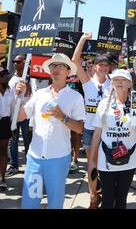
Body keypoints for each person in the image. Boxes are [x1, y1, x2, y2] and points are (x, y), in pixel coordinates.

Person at [16, 54, 85, 209]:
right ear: (48, 70)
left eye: (60, 66)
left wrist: (63, 117)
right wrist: (19, 96)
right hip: (34, 158)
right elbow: (21, 116)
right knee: (29, 203)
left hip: (58, 158)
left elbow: (80, 128)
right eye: (53, 66)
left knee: (55, 203)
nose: (56, 69)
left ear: (68, 71)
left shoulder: (75, 97)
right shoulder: (39, 94)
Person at [88, 69, 136, 209]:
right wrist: (92, 160)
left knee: (121, 199)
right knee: (108, 199)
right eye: (116, 79)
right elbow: (97, 134)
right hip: (106, 160)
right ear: (112, 83)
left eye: (123, 79)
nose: (119, 82)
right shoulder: (104, 104)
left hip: (129, 159)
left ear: (129, 83)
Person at [72, 32, 111, 208]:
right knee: (92, 165)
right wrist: (83, 39)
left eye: (106, 65)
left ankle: (107, 194)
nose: (103, 67)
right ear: (94, 67)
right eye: (100, 64)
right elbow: (74, 61)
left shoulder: (114, 83)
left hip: (109, 130)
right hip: (90, 129)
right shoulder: (87, 82)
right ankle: (93, 197)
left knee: (108, 165)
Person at [6, 55, 32, 177]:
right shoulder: (10, 78)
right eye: (14, 61)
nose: (15, 64)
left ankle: (30, 165)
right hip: (13, 115)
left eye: (18, 61)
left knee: (28, 140)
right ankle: (13, 165)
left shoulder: (31, 78)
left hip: (26, 115)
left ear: (25, 63)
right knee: (13, 141)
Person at [0, 67, 15, 191]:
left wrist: (13, 126)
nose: (5, 77)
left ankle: (2, 179)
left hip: (5, 123)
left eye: (5, 74)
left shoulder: (10, 91)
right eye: (2, 75)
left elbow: (13, 109)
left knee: (3, 151)